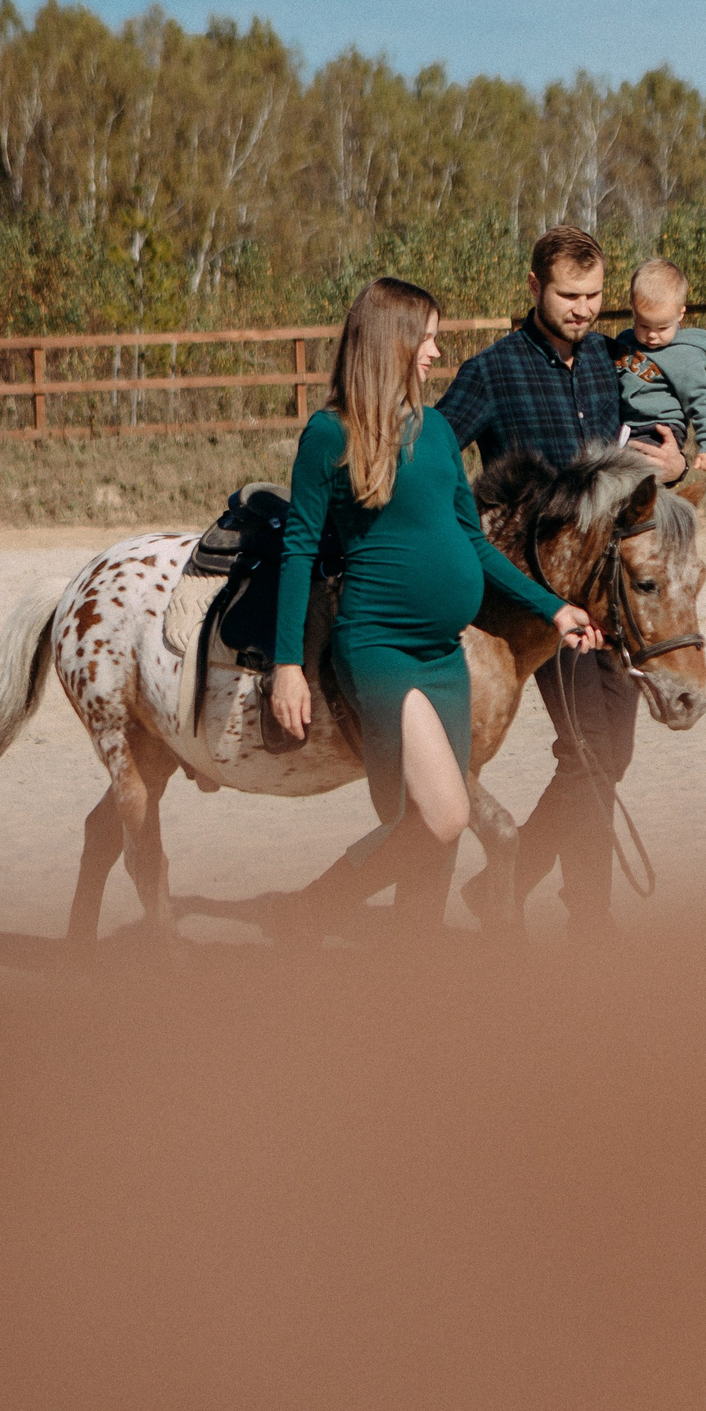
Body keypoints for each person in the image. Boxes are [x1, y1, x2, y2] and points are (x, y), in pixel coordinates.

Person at [268, 276, 603, 938]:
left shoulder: (440, 429)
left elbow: (471, 541)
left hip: (443, 652)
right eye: (426, 337)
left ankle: (407, 963)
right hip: (380, 649)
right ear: (392, 342)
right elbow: (300, 547)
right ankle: (316, 905)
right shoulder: (328, 434)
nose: (435, 351)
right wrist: (286, 664)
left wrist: (555, 607)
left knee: (434, 829)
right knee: (447, 813)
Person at [437, 226, 686, 930]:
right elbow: (434, 453)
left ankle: (508, 888)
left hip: (617, 590)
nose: (584, 309)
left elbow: (667, 437)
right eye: (569, 295)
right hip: (539, 601)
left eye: (594, 295)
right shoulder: (492, 372)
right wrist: (468, 526)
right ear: (534, 289)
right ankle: (589, 913)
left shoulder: (614, 361)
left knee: (613, 752)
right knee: (588, 750)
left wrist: (681, 465)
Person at [607, 258, 706, 488]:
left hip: (659, 428)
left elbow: (703, 399)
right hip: (625, 428)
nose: (651, 335)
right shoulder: (624, 343)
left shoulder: (685, 356)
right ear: (633, 309)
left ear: (680, 314)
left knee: (636, 481)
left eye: (662, 328)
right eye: (643, 325)